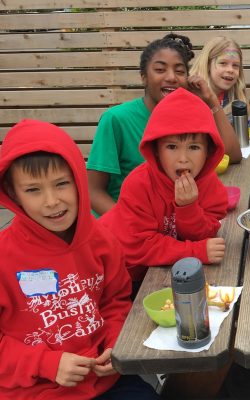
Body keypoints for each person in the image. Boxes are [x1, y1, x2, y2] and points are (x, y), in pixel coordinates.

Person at [0, 120, 158, 399]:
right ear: (14, 194)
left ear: (78, 181)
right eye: (33, 190)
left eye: (61, 184)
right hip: (33, 390)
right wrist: (45, 363)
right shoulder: (5, 257)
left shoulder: (102, 241)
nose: (51, 201)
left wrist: (114, 342)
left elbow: (115, 302)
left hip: (104, 381)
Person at [87, 33, 241, 216]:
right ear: (144, 77)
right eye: (160, 70)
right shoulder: (116, 120)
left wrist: (211, 101)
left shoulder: (189, 116)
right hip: (125, 226)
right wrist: (126, 225)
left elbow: (234, 155)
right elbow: (93, 191)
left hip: (173, 223)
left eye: (180, 71)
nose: (171, 78)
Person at [100, 88, 227, 285]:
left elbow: (205, 234)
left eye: (194, 147)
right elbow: (140, 246)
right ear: (156, 150)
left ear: (209, 151)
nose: (183, 159)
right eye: (171, 147)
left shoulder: (209, 185)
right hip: (113, 271)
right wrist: (196, 252)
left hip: (155, 274)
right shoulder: (138, 184)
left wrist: (188, 208)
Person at [189, 36, 248, 122]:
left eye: (235, 65)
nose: (230, 70)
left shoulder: (237, 99)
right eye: (223, 63)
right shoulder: (191, 95)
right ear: (207, 64)